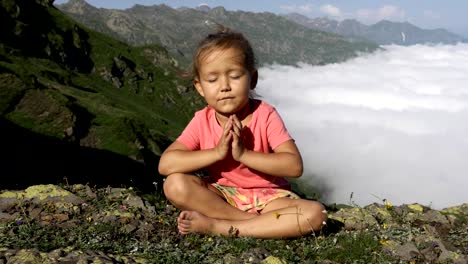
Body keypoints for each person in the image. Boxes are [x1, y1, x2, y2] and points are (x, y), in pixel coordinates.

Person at [158, 26, 327, 238]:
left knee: (316, 213)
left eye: (235, 76)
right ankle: (259, 225)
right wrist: (218, 152)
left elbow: (293, 166)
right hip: (222, 196)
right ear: (199, 87)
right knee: (175, 184)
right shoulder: (202, 120)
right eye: (212, 80)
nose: (224, 86)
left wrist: (243, 154)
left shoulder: (264, 115)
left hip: (271, 199)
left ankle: (218, 227)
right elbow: (166, 164)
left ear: (252, 79)